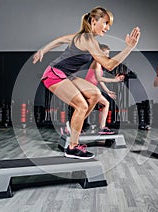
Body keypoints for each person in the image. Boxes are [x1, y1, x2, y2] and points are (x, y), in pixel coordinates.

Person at [33, 6, 140, 159]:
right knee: (81, 105)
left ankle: (73, 126)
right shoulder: (88, 39)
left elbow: (60, 40)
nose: (107, 28)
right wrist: (129, 48)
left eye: (109, 25)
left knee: (95, 94)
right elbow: (109, 65)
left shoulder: (81, 37)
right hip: (54, 74)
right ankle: (72, 147)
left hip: (67, 75)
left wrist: (44, 50)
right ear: (94, 21)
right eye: (105, 23)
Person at [85, 43, 125, 134]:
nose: (108, 56)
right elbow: (99, 78)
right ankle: (101, 128)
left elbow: (99, 80)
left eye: (108, 54)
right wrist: (114, 80)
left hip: (91, 88)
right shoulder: (97, 62)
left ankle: (101, 128)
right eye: (106, 54)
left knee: (103, 104)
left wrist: (107, 91)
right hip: (89, 89)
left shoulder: (98, 63)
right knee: (105, 104)